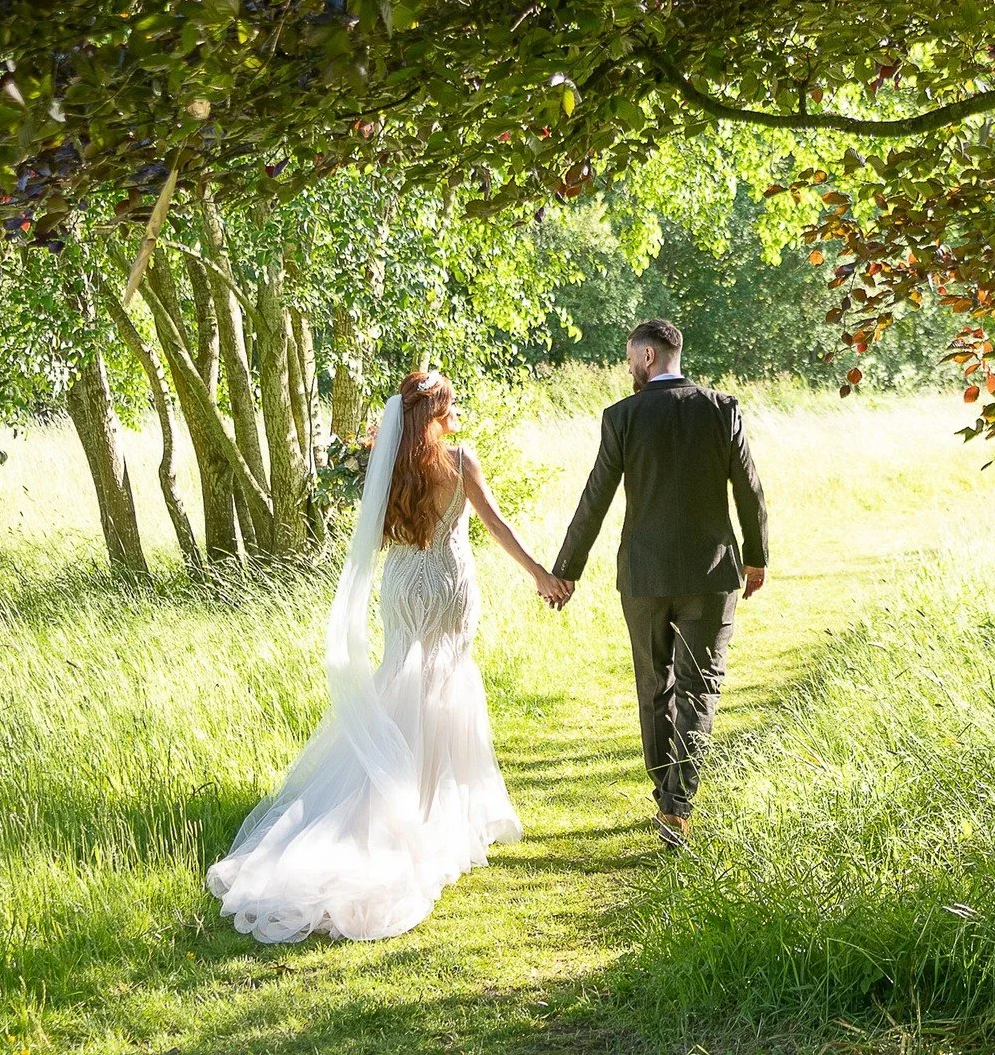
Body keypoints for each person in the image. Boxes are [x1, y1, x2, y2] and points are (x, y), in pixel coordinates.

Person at [207, 371, 572, 942]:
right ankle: (425, 820)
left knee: (402, 680)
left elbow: (373, 537)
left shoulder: (388, 467)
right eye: (450, 408)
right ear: (438, 416)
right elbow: (496, 526)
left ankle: (400, 805)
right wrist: (542, 576)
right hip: (449, 586)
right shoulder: (460, 461)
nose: (456, 416)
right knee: (443, 685)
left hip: (401, 585)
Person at [550, 317, 768, 848]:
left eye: (630, 358)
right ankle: (677, 804)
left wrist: (565, 571)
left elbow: (594, 498)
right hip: (712, 573)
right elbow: (750, 490)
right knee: (701, 687)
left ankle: (667, 795)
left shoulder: (622, 416)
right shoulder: (722, 410)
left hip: (643, 576)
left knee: (655, 685)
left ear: (648, 357)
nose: (628, 367)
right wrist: (757, 557)